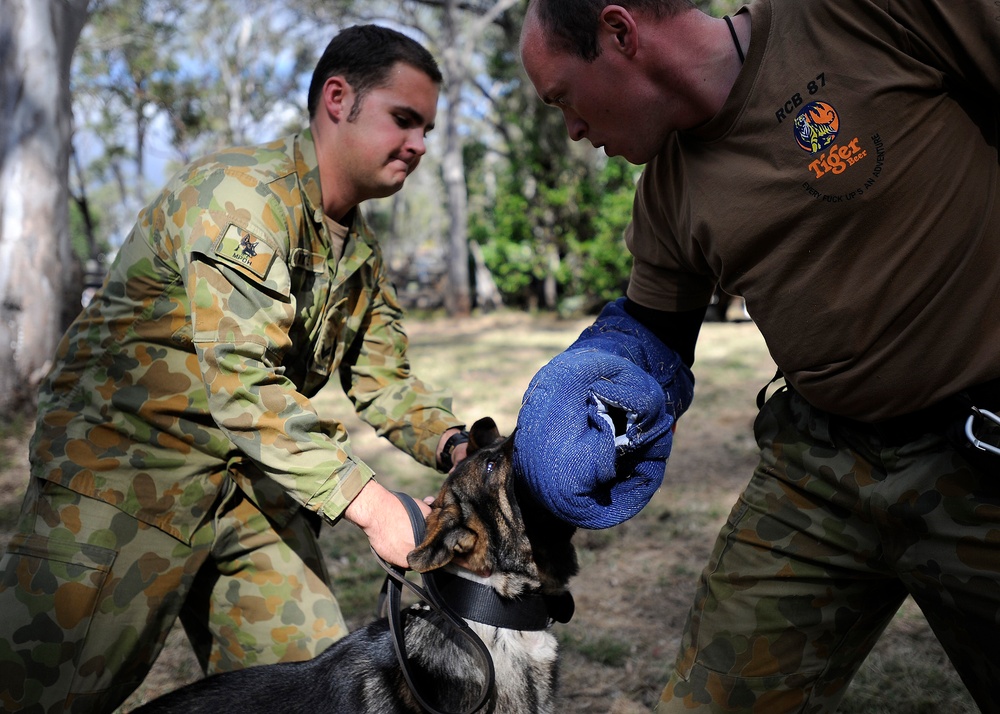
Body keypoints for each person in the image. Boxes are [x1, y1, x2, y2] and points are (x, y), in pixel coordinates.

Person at [514, 0, 1000, 711]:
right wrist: (585, 397)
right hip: (822, 474)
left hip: (983, 459)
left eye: (563, 98)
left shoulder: (855, 17)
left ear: (620, 33)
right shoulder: (667, 195)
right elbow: (654, 336)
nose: (573, 129)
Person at [0, 24, 474, 714]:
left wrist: (463, 450)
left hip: (251, 491)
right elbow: (246, 390)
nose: (419, 146)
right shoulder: (244, 197)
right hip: (125, 480)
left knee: (307, 695)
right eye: (404, 119)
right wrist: (374, 507)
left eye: (428, 129)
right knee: (35, 697)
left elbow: (385, 384)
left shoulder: (358, 251)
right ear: (336, 99)